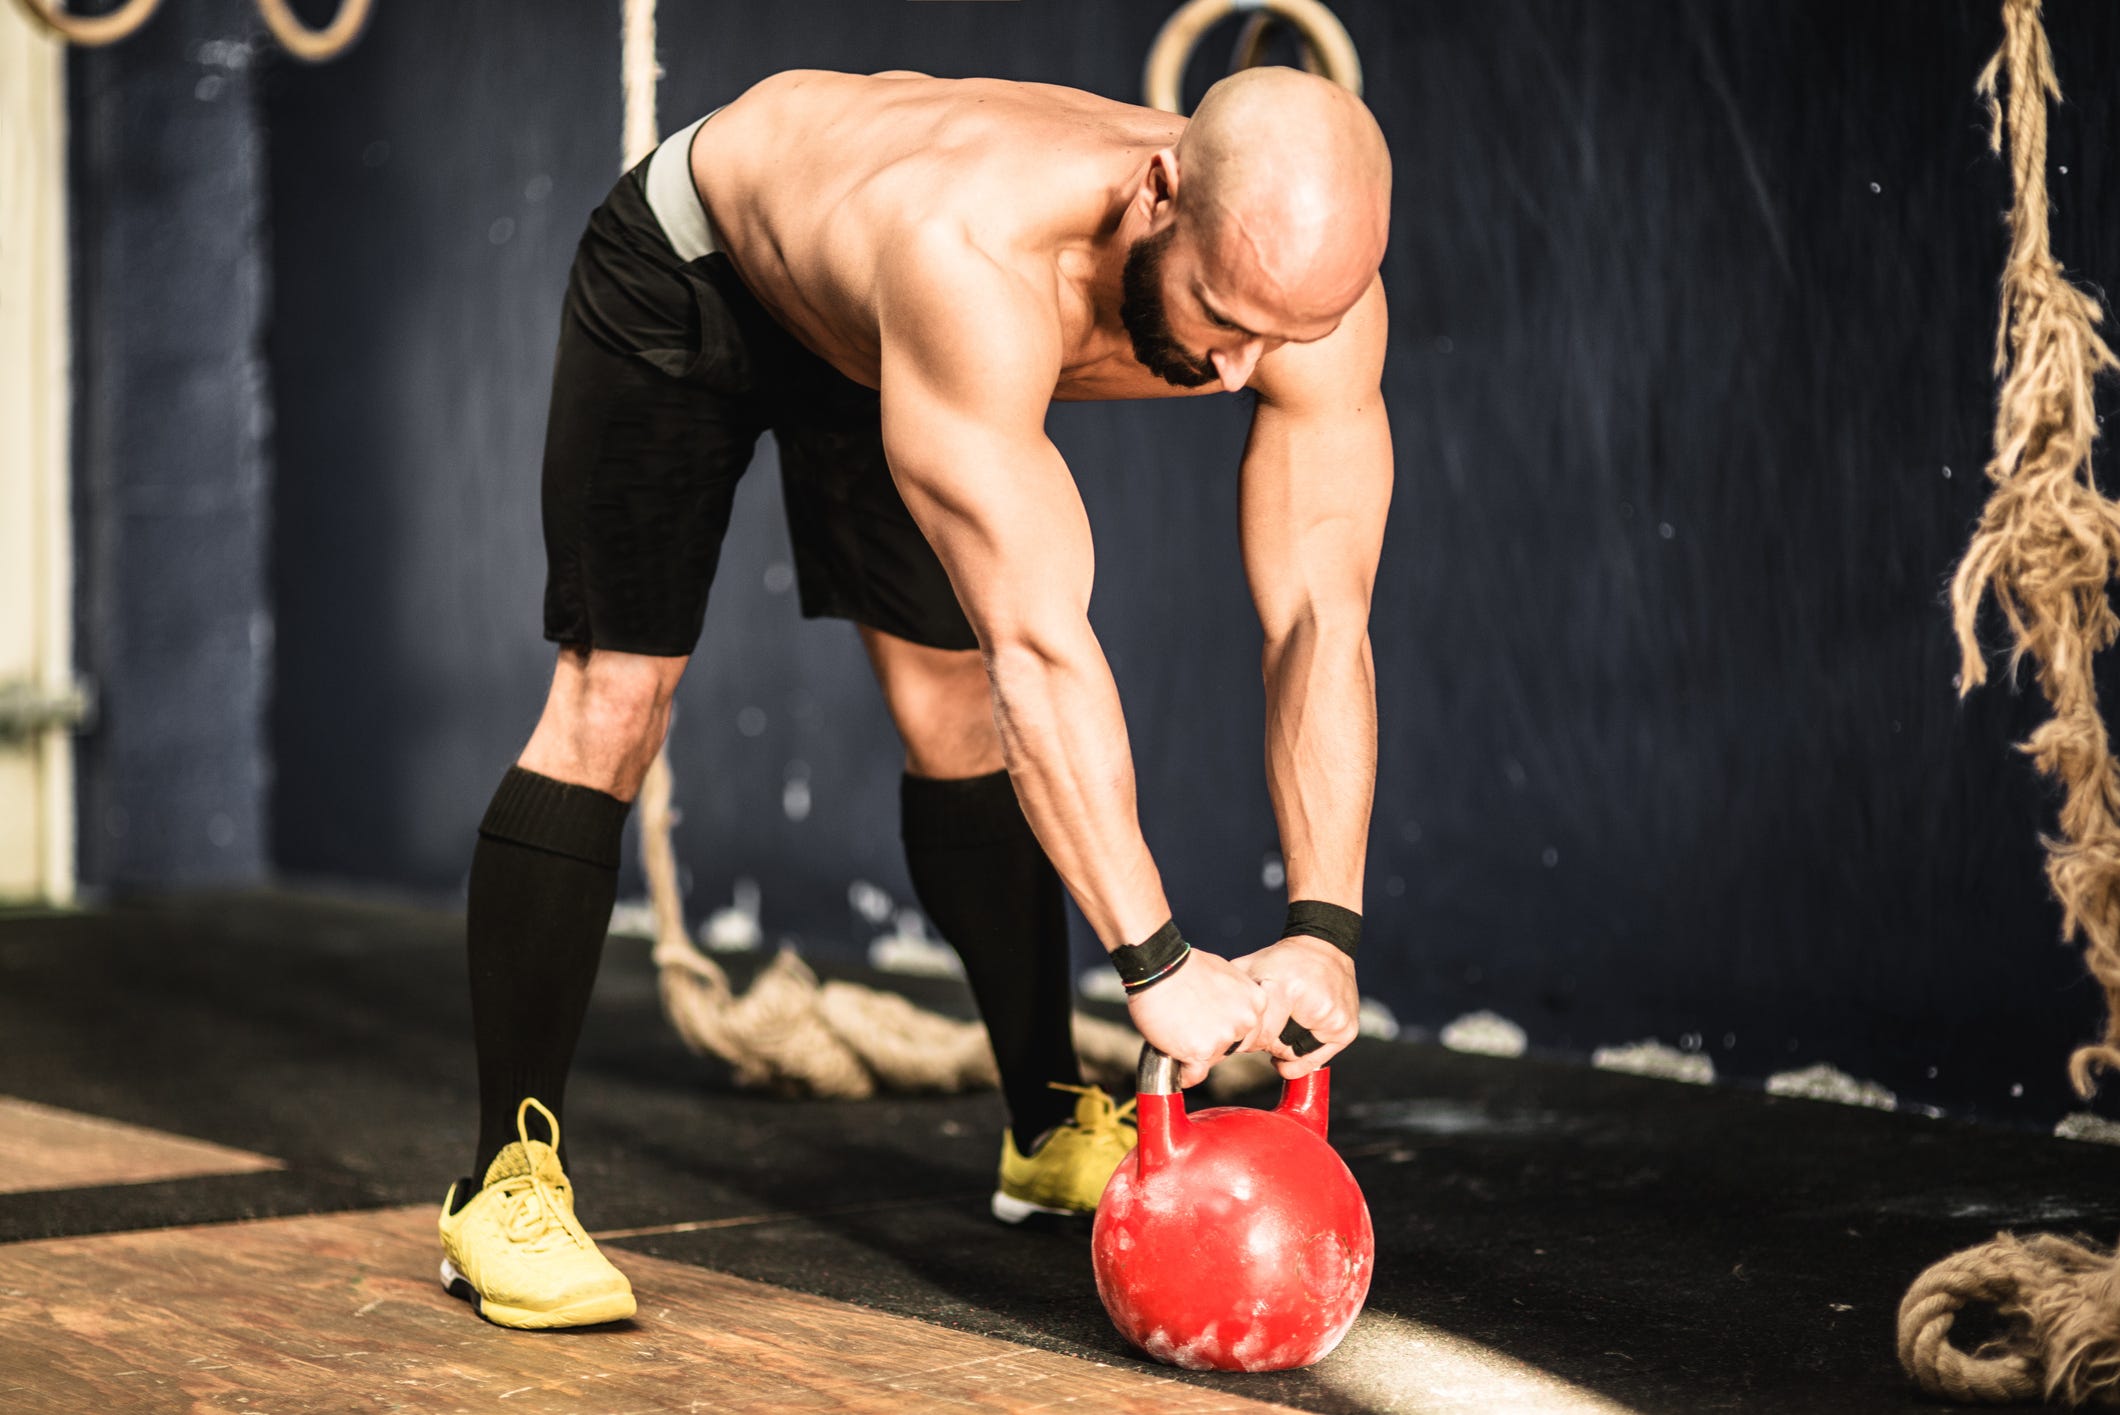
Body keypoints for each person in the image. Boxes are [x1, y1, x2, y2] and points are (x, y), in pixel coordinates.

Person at [438, 64, 1393, 1329]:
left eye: (1285, 338)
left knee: (950, 712)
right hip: (698, 278)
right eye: (1220, 317)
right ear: (1157, 193)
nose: (1237, 374)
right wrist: (1154, 958)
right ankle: (504, 1176)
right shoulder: (977, 253)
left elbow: (1319, 614)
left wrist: (1325, 923)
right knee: (616, 697)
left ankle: (1046, 1122)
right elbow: (1038, 644)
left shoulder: (1309, 293)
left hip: (877, 336)